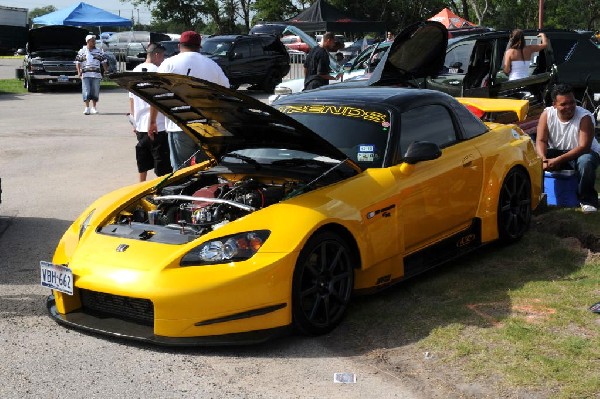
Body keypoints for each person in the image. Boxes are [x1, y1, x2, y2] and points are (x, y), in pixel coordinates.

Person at [148, 31, 229, 170]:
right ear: (199, 47)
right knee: (206, 169)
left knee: (181, 171)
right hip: (206, 126)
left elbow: (156, 94)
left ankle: (182, 192)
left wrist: (152, 121)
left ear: (180, 46)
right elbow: (226, 93)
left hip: (179, 124)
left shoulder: (168, 64)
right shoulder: (212, 65)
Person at [536, 83, 600, 213]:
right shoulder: (547, 114)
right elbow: (541, 140)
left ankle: (587, 200)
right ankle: (537, 196)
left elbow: (584, 147)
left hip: (584, 152)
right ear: (554, 104)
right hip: (558, 151)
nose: (569, 107)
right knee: (533, 158)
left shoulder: (585, 117)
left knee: (585, 162)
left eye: (572, 102)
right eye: (563, 104)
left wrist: (557, 161)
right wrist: (542, 159)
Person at [129, 43, 172, 182]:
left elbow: (132, 100)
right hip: (158, 125)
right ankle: (162, 189)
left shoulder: (134, 71)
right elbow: (159, 98)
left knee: (143, 161)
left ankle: (141, 186)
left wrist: (134, 122)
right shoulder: (159, 72)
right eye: (163, 56)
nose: (163, 60)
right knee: (162, 163)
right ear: (157, 55)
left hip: (140, 124)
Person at [75, 34, 109, 115]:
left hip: (96, 74)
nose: (94, 42)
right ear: (87, 41)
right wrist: (79, 71)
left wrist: (106, 70)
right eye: (92, 41)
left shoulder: (99, 51)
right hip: (85, 74)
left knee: (95, 91)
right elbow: (78, 62)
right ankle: (87, 108)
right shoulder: (82, 51)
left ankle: (94, 107)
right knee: (86, 90)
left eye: (94, 41)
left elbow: (104, 61)